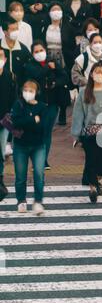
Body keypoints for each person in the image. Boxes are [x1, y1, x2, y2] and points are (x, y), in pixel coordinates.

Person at [71, 63, 102, 203]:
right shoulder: (84, 92)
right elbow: (78, 114)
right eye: (96, 72)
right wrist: (76, 134)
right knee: (91, 158)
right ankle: (92, 187)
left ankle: (98, 180)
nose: (99, 75)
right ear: (91, 74)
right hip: (89, 133)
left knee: (101, 159)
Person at [23, 40, 69, 169]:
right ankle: (35, 158)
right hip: (37, 104)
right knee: (39, 131)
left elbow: (64, 76)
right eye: (36, 51)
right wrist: (48, 67)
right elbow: (36, 75)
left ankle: (43, 160)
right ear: (32, 54)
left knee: (47, 132)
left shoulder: (53, 61)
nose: (39, 53)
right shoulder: (30, 65)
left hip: (52, 103)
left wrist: (54, 83)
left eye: (41, 50)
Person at [11, 79, 48, 215]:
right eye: (25, 90)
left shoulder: (42, 107)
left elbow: (43, 127)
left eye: (31, 91)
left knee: (39, 174)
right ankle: (21, 201)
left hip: (38, 145)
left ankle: (38, 201)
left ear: (36, 92)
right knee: (20, 175)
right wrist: (33, 119)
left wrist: (27, 121)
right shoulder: (18, 104)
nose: (27, 93)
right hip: (20, 145)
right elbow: (16, 123)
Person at [0, 17, 32, 92]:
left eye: (17, 29)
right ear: (5, 32)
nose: (16, 32)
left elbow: (28, 71)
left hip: (18, 90)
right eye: (13, 29)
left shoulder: (23, 49)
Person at [0, 45, 15, 201]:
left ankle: (1, 179)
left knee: (1, 152)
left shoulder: (9, 76)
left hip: (3, 122)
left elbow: (13, 98)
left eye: (1, 56)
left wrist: (10, 116)